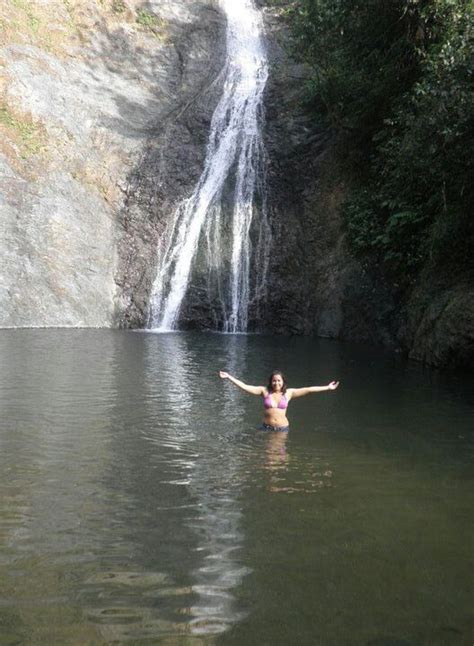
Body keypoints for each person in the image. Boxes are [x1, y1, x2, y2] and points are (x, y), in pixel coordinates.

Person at [219, 369, 339, 432]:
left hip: (282, 429)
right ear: (271, 382)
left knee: (279, 455)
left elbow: (309, 389)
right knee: (268, 455)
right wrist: (229, 377)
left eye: (279, 380)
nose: (276, 383)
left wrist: (327, 387)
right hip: (266, 427)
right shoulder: (264, 391)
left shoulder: (289, 393)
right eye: (274, 380)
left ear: (283, 382)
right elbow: (245, 387)